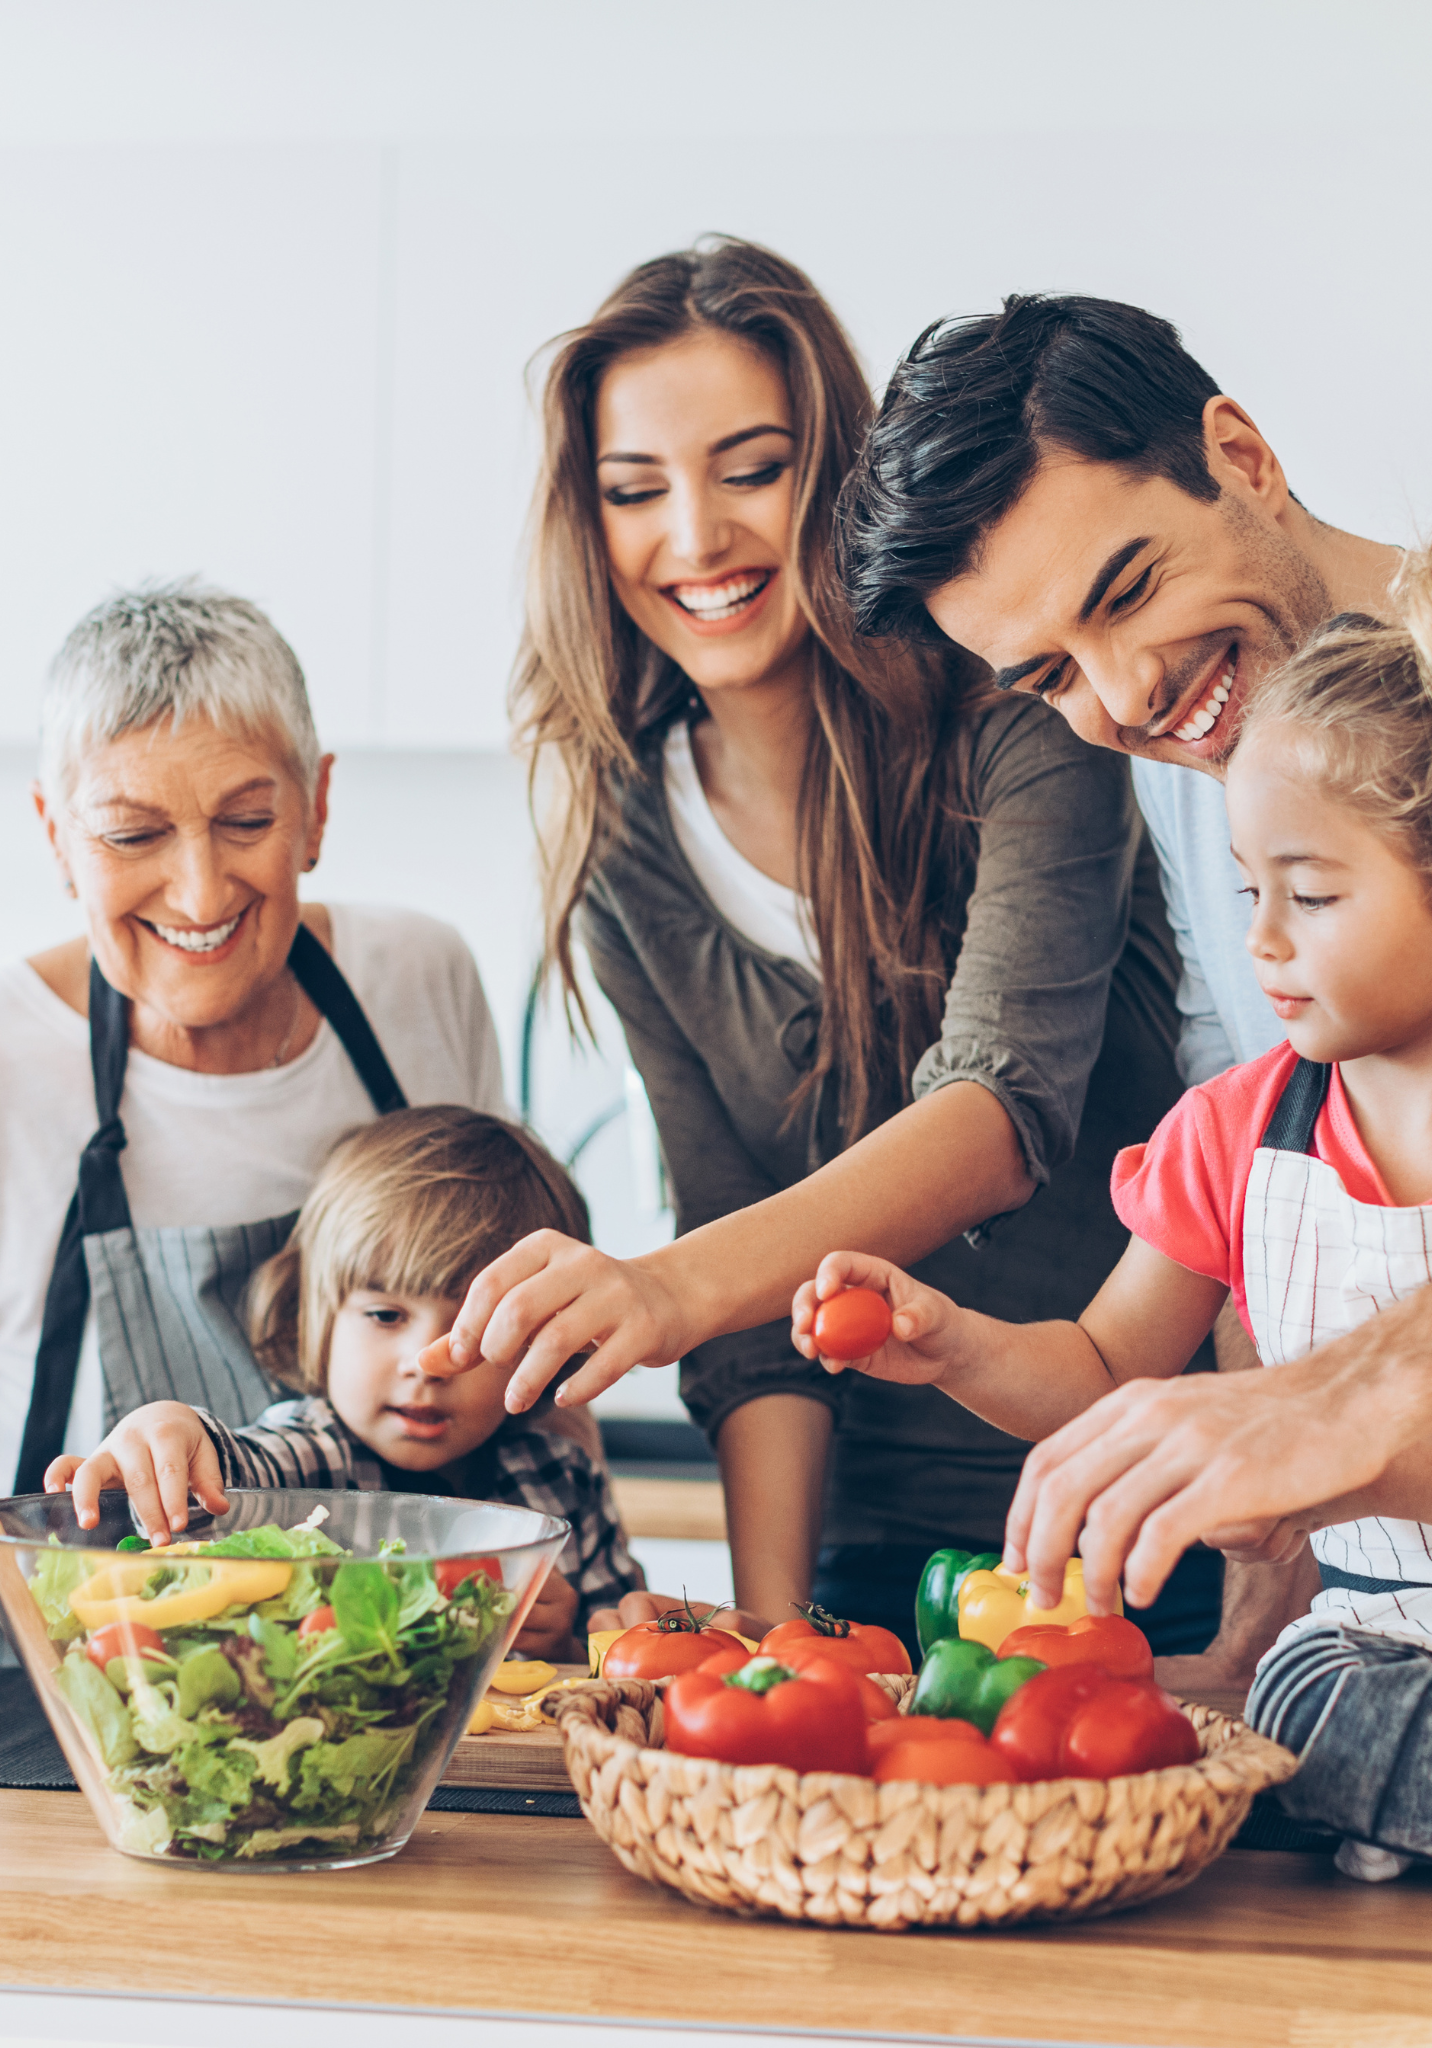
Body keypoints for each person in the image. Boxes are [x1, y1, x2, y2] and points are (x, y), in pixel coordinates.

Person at [802, 475, 1432, 1893]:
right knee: (1308, 1712)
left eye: (1311, 897)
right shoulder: (1229, 1138)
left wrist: (1374, 1454)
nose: (1260, 943)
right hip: (1406, 1649)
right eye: (1248, 889)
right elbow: (1101, 1375)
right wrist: (955, 1349)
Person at [441, 238, 1199, 1658]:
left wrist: (661, 1288)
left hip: (1135, 1512)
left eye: (752, 468)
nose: (696, 537)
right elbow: (742, 1294)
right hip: (869, 1547)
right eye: (634, 490)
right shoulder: (622, 834)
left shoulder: (1022, 718)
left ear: (837, 480)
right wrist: (771, 1636)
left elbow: (996, 1117)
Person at [0, 582, 512, 1731]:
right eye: (133, 833)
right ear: (56, 836)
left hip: (376, 1703)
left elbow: (522, 1359)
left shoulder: (419, 984)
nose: (201, 890)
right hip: (53, 1718)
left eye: (247, 820)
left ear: (317, 806)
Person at [45, 1107, 646, 1663]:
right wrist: (170, 1427)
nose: (428, 1363)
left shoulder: (565, 1477)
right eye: (386, 1316)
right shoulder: (312, 1451)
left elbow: (627, 1659)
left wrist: (567, 1643)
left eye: (479, 1329)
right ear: (317, 1320)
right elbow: (235, 1465)